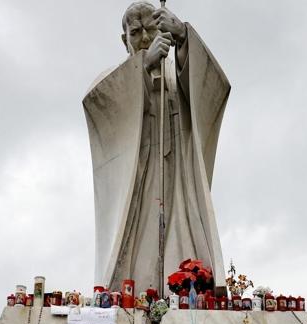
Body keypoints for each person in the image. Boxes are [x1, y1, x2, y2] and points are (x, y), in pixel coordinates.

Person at [84, 1, 229, 292]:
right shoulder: (113, 80)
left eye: (152, 29)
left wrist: (184, 37)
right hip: (137, 183)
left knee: (182, 247)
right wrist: (143, 67)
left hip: (177, 181)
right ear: (125, 39)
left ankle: (184, 287)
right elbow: (96, 103)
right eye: (136, 32)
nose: (146, 38)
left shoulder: (177, 80)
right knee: (137, 257)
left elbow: (214, 87)